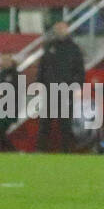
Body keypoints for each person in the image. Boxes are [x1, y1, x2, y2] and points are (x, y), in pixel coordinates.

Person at [36, 20, 86, 153]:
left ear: (67, 29)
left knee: (65, 124)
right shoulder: (49, 46)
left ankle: (66, 151)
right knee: (44, 123)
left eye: (62, 28)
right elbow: (42, 67)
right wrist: (39, 84)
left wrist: (77, 87)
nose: (59, 31)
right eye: (57, 28)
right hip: (49, 91)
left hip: (66, 91)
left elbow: (80, 71)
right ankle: (40, 151)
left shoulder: (74, 49)